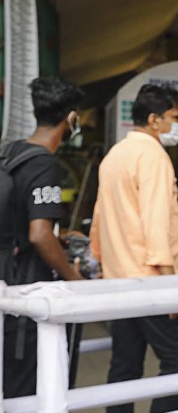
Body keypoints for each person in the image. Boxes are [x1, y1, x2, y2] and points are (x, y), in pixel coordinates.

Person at [90, 84, 178, 413]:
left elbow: (98, 218)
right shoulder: (153, 155)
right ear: (154, 120)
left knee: (124, 367)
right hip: (152, 281)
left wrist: (99, 258)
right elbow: (155, 221)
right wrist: (169, 287)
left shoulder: (114, 156)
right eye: (175, 117)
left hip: (119, 280)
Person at [0, 77, 85, 398]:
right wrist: (74, 278)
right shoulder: (45, 165)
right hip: (25, 288)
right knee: (28, 390)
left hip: (5, 276)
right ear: (71, 119)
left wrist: (57, 239)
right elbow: (39, 235)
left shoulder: (9, 152)